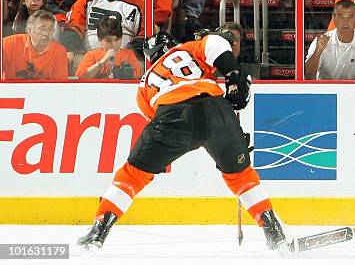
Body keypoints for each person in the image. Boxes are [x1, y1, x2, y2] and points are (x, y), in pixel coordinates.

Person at [77, 31, 292, 253]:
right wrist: (233, 75)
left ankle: (99, 230)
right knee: (240, 175)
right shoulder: (188, 49)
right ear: (173, 44)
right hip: (217, 109)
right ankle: (274, 231)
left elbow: (153, 114)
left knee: (132, 175)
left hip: (172, 115)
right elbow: (217, 43)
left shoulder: (146, 81)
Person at [305, 0, 355, 80]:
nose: (345, 22)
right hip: (326, 91)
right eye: (341, 17)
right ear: (333, 18)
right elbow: (307, 75)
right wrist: (318, 51)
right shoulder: (320, 42)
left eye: (350, 17)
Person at [2, 9, 68, 80]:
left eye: (50, 29)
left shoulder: (59, 51)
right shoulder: (8, 44)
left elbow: (59, 85)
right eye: (42, 29)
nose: (47, 33)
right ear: (29, 30)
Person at [75, 15, 142, 79]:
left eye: (117, 40)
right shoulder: (91, 55)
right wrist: (103, 61)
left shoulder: (128, 55)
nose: (114, 44)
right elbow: (81, 77)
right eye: (108, 41)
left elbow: (137, 77)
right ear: (99, 40)